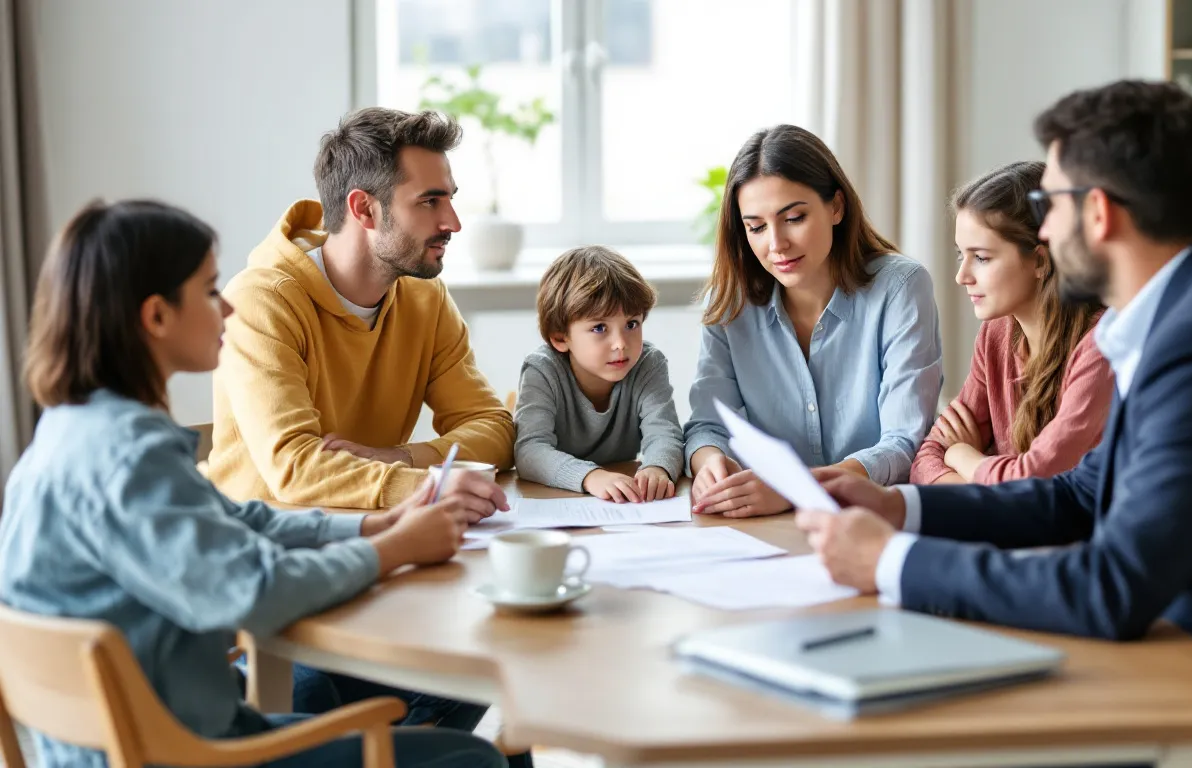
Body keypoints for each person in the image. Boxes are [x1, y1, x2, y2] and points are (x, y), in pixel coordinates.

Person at [798, 80, 1192, 767]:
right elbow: (1082, 494)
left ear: (1099, 213)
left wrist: (890, 560)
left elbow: (1111, 587)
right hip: (1179, 671)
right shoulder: (1190, 310)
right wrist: (900, 508)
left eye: (1048, 206)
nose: (1046, 233)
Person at [0, 199, 508, 768]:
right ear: (157, 316)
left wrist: (373, 525)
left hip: (133, 741)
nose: (227, 307)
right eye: (209, 290)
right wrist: (393, 549)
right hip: (189, 754)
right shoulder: (131, 458)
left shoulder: (74, 430)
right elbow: (256, 592)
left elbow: (236, 520)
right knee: (476, 758)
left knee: (448, 712)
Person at [207, 107, 514, 512]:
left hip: (376, 527)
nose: (453, 223)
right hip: (260, 536)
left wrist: (401, 458)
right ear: (364, 209)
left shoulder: (425, 298)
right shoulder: (261, 302)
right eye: (429, 201)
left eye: (450, 199)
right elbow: (295, 468)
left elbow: (494, 427)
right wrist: (428, 488)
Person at [683, 124, 942, 518]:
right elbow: (707, 426)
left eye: (794, 217)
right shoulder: (728, 304)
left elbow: (906, 442)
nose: (776, 244)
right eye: (756, 227)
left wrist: (796, 488)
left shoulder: (900, 287)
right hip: (763, 523)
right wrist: (710, 462)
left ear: (836, 207)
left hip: (872, 518)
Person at [910, 161, 1111, 485]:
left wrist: (961, 454)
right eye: (962, 255)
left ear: (1040, 261)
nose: (961, 276)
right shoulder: (996, 334)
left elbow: (1032, 480)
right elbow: (926, 460)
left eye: (981, 257)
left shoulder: (1101, 347)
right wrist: (983, 490)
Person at [513, 246, 684, 501]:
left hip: (619, 499)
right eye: (600, 328)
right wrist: (590, 476)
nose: (620, 344)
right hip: (558, 498)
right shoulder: (543, 370)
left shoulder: (648, 364)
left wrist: (657, 468)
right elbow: (530, 451)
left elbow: (665, 434)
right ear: (560, 338)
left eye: (631, 324)